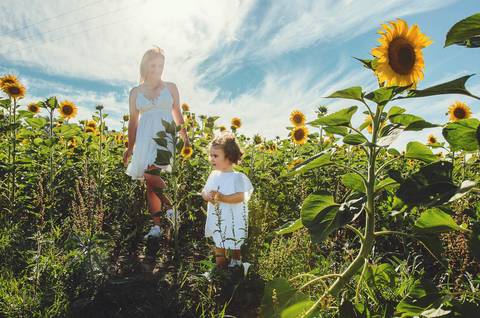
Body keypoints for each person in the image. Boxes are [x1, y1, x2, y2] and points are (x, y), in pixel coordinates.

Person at [123, 46, 190, 239]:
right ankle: (157, 226)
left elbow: (178, 114)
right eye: (153, 65)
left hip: (165, 134)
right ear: (145, 66)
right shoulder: (135, 92)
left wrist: (185, 139)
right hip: (144, 137)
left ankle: (170, 209)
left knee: (150, 173)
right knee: (149, 184)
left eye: (160, 65)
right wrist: (130, 148)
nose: (157, 69)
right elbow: (133, 122)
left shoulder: (171, 87)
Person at [201, 132, 254, 268]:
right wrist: (207, 196)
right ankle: (220, 270)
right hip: (218, 217)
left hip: (233, 217)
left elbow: (241, 197)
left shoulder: (237, 177)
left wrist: (222, 197)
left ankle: (236, 263)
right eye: (211, 155)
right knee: (219, 241)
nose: (212, 159)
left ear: (229, 157)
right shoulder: (213, 175)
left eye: (216, 156)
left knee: (235, 241)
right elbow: (204, 191)